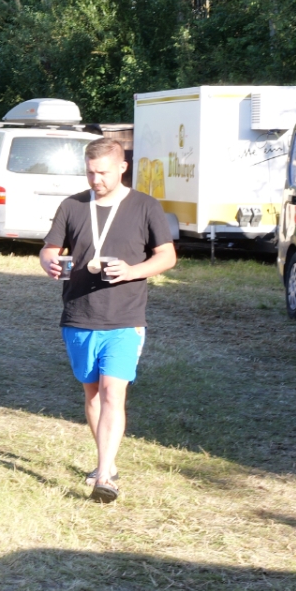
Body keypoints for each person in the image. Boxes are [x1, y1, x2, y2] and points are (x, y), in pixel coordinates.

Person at [38, 136, 176, 503]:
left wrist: (132, 271)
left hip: (125, 317)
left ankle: (104, 476)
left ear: (122, 167)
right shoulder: (72, 206)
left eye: (102, 172)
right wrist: (49, 261)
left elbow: (167, 256)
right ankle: (107, 462)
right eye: (90, 172)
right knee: (93, 393)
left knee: (114, 391)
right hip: (79, 315)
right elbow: (50, 248)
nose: (95, 180)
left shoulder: (145, 206)